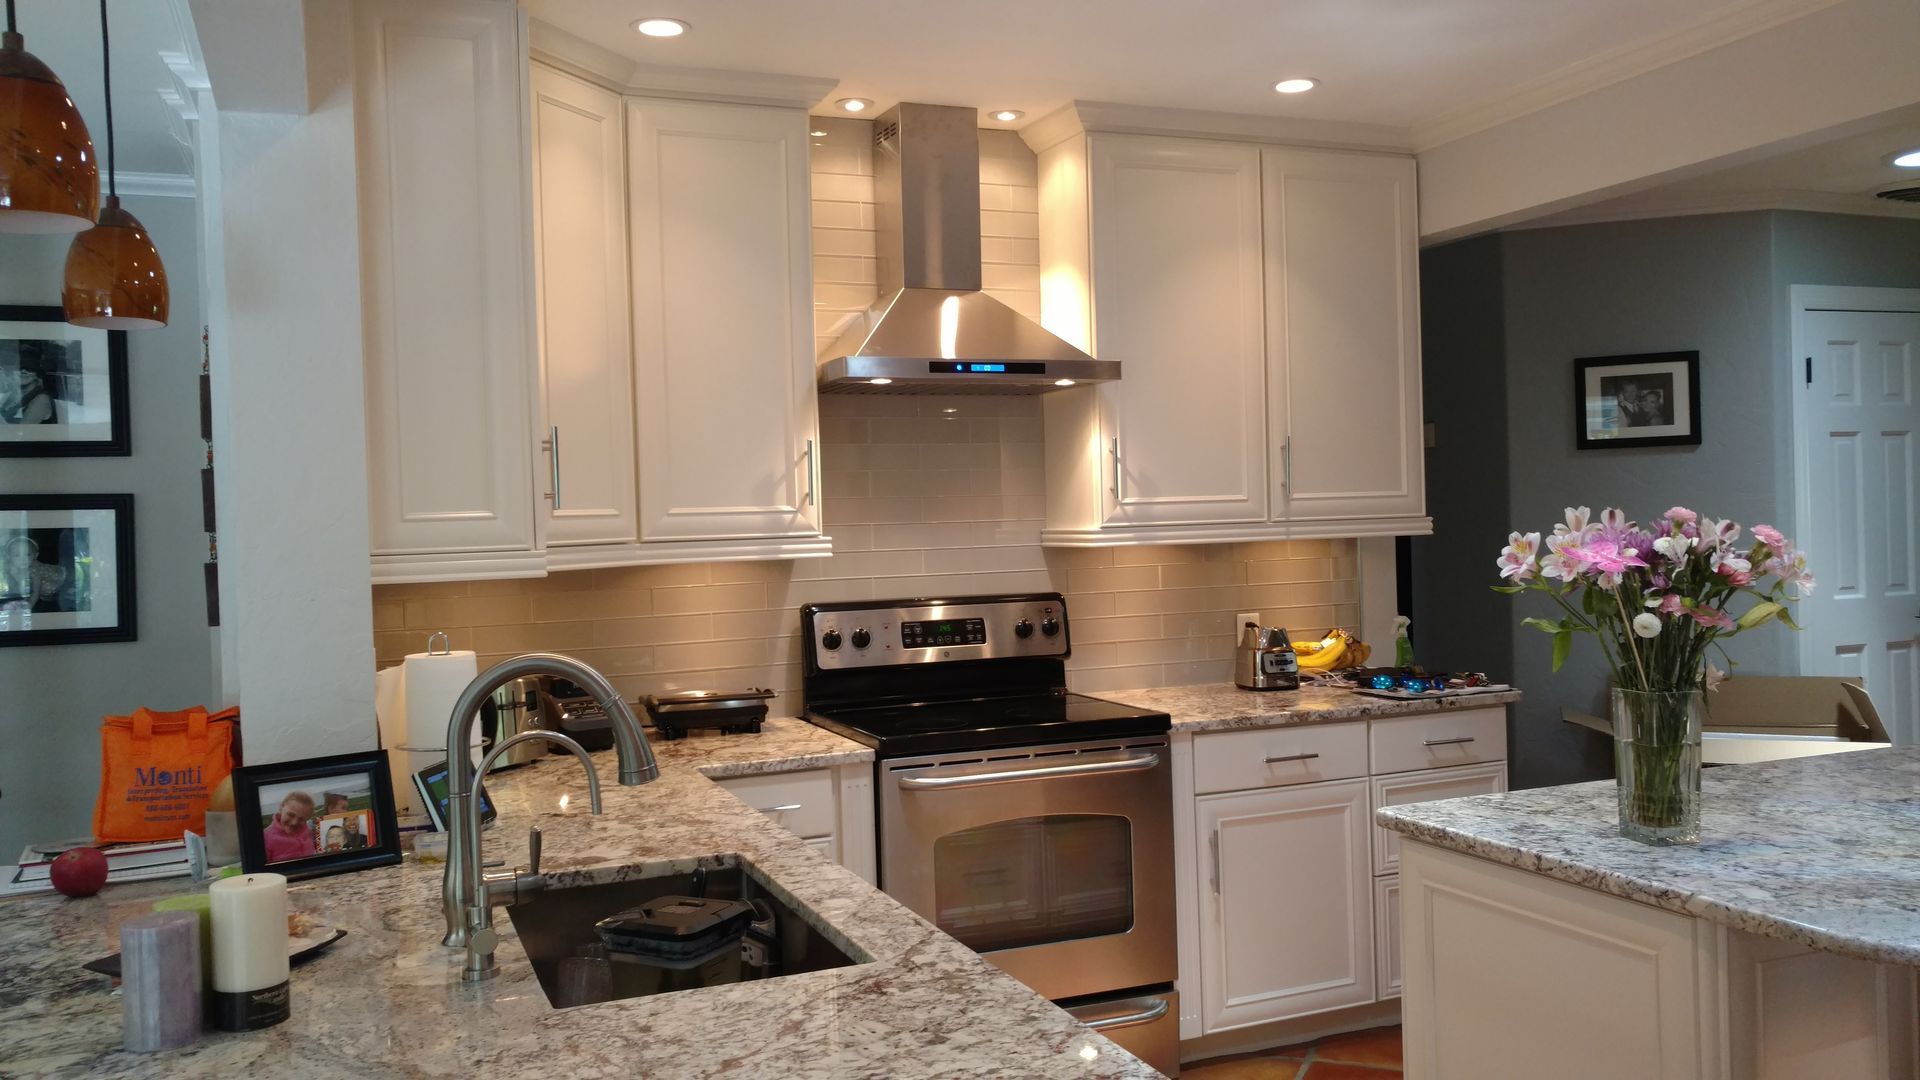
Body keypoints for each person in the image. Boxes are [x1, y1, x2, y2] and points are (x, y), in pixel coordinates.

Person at [262, 791, 317, 862]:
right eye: (291, 815)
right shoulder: (266, 838)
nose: (294, 822)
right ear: (281, 808)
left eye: (301, 819)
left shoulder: (308, 831)